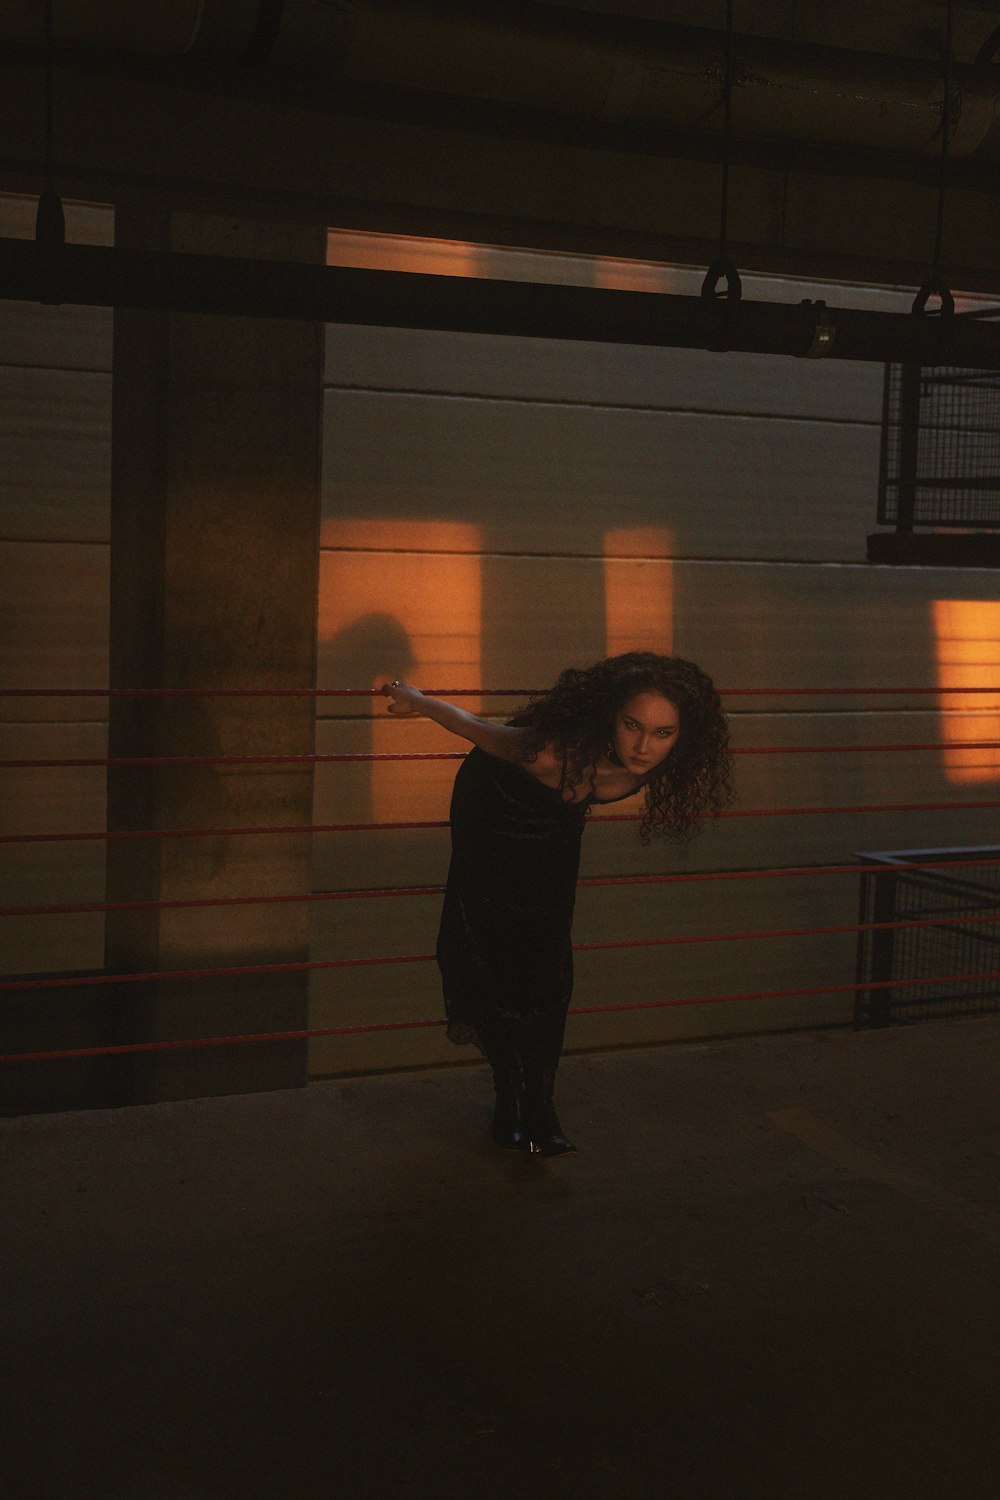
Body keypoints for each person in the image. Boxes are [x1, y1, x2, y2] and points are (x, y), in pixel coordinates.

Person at [382, 652, 734, 1157]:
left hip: (555, 821)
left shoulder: (651, 766)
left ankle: (542, 1108)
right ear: (609, 716)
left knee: (547, 961)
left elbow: (611, 777)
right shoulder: (546, 752)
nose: (642, 746)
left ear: (683, 736)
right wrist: (415, 700)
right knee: (491, 951)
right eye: (632, 725)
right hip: (492, 808)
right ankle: (509, 1102)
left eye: (662, 733)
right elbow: (475, 726)